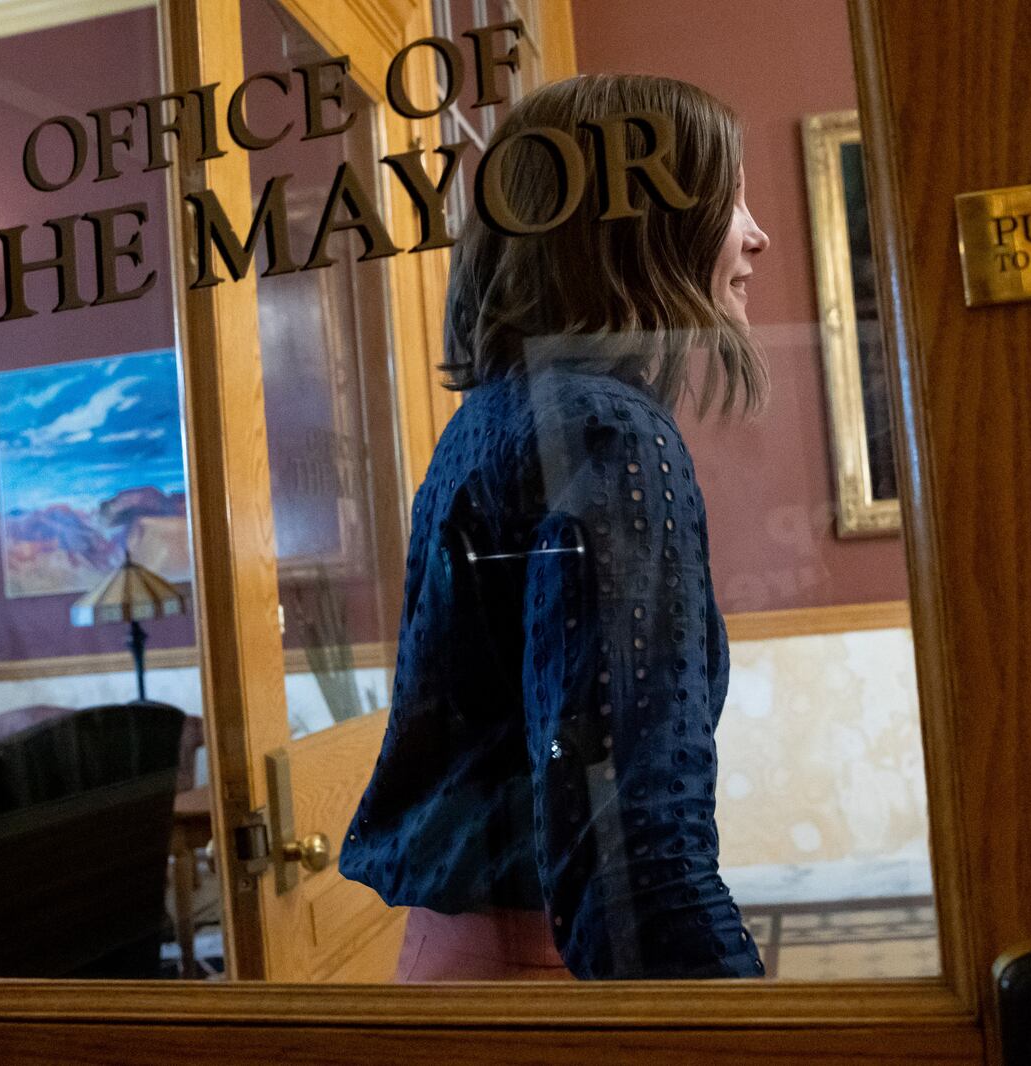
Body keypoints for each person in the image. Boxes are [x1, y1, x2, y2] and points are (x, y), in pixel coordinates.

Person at [339, 73, 771, 981]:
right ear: (639, 224)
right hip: (547, 983)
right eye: (731, 199)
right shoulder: (611, 433)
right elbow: (638, 858)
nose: (756, 234)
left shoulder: (497, 416)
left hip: (465, 964)